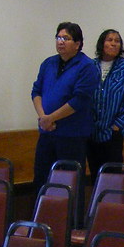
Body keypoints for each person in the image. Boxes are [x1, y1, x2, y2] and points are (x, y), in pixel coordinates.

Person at [30, 22, 97, 194]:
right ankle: (42, 218)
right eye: (58, 37)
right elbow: (36, 91)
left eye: (66, 38)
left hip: (72, 136)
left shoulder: (87, 66)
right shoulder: (48, 63)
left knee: (70, 184)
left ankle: (72, 221)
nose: (61, 41)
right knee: (42, 180)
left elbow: (79, 100)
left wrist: (51, 118)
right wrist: (43, 117)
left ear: (77, 44)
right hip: (47, 132)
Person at [87, 29, 124, 180]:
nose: (113, 43)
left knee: (113, 177)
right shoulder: (91, 65)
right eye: (110, 40)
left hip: (113, 133)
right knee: (95, 176)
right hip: (91, 132)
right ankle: (97, 204)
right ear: (102, 43)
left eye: (117, 41)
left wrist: (117, 125)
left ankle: (113, 204)